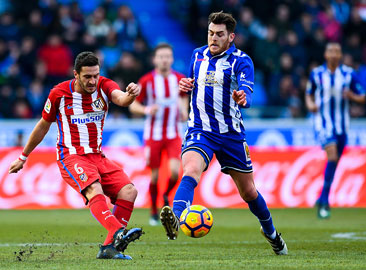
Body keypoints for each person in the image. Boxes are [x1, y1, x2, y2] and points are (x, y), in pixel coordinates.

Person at [159, 11, 287, 255]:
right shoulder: (197, 56)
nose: (213, 38)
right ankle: (175, 219)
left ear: (231, 37)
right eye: (210, 33)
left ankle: (271, 232)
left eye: (219, 34)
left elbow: (247, 93)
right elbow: (191, 83)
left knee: (248, 191)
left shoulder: (241, 61)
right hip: (200, 129)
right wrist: (185, 85)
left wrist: (242, 97)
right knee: (191, 170)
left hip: (231, 134)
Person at [8, 51, 144, 260]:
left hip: (98, 156)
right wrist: (23, 156)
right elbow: (43, 126)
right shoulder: (59, 94)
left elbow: (121, 99)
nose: (92, 81)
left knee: (129, 191)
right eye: (87, 76)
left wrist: (131, 94)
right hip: (71, 156)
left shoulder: (104, 85)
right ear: (76, 75)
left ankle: (110, 248)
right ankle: (118, 231)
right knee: (93, 188)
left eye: (95, 75)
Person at [129, 43, 189, 226]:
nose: (164, 60)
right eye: (161, 56)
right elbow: (133, 105)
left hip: (173, 134)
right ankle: (154, 209)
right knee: (154, 177)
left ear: (172, 59)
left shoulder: (179, 79)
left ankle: (165, 196)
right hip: (153, 135)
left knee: (174, 172)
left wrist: (183, 111)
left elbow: (184, 101)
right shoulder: (147, 80)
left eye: (168, 56)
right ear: (155, 59)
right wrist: (147, 109)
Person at [305, 42, 366, 219]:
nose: (333, 54)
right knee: (332, 156)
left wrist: (352, 96)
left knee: (335, 161)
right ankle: (324, 201)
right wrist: (310, 104)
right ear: (325, 54)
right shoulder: (317, 74)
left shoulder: (348, 74)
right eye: (330, 51)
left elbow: (362, 96)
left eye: (336, 51)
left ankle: (322, 196)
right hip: (323, 123)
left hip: (342, 126)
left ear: (340, 55)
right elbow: (309, 93)